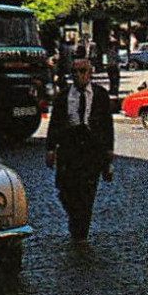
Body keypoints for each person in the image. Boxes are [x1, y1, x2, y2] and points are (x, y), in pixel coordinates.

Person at [45, 57, 115, 242]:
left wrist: (109, 153)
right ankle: (75, 217)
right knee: (65, 189)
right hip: (70, 148)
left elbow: (107, 125)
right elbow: (54, 123)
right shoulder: (63, 96)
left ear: (90, 73)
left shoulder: (100, 95)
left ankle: (80, 231)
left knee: (87, 192)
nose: (78, 76)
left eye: (82, 71)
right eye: (74, 72)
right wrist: (51, 149)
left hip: (92, 149)